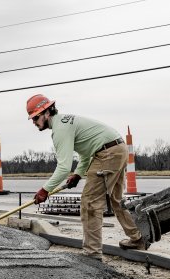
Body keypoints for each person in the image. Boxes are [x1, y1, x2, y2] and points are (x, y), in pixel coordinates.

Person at [26, 94, 147, 261]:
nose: (34, 122)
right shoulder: (65, 122)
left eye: (36, 117)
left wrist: (45, 190)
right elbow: (85, 153)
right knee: (116, 200)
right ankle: (137, 238)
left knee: (90, 203)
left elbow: (63, 167)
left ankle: (92, 254)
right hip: (117, 148)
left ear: (47, 112)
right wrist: (77, 174)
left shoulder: (59, 130)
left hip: (106, 153)